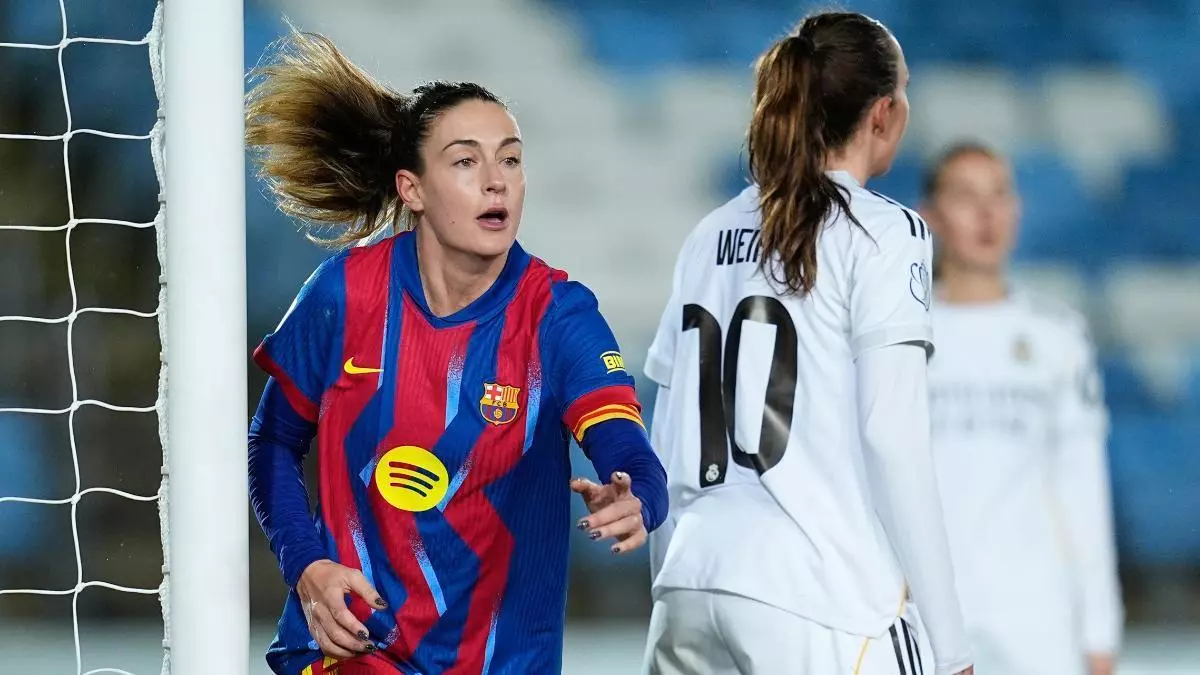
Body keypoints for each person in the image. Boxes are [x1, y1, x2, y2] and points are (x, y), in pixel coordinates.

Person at [244, 30, 668, 675]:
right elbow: (273, 440)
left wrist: (637, 498)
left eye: (511, 160)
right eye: (466, 162)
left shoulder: (557, 316)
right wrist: (306, 564)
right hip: (349, 653)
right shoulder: (345, 294)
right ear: (412, 189)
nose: (497, 182)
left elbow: (628, 452)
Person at [642, 12, 973, 675]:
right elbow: (890, 435)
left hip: (689, 584)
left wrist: (675, 578)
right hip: (819, 599)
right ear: (883, 114)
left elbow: (665, 431)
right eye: (904, 89)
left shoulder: (708, 234)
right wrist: (952, 644)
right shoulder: (885, 232)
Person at [920, 142, 1123, 675]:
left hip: (1037, 614)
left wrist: (1100, 629)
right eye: (965, 196)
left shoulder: (1058, 335)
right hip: (926, 611)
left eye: (999, 195)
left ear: (1017, 209)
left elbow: (1082, 487)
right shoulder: (899, 333)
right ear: (930, 216)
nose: (986, 214)